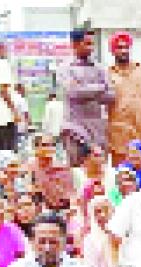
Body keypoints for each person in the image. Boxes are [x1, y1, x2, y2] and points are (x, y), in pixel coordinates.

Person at [58, 29, 115, 167]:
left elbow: (111, 96)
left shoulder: (100, 68)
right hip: (74, 128)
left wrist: (85, 88)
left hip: (97, 129)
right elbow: (74, 92)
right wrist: (100, 87)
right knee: (77, 170)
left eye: (92, 44)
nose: (91, 48)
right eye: (87, 43)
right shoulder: (65, 68)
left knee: (99, 170)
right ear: (75, 45)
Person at [107, 31, 141, 167]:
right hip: (117, 133)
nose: (124, 51)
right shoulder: (107, 73)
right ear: (113, 51)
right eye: (119, 47)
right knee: (120, 171)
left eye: (126, 47)